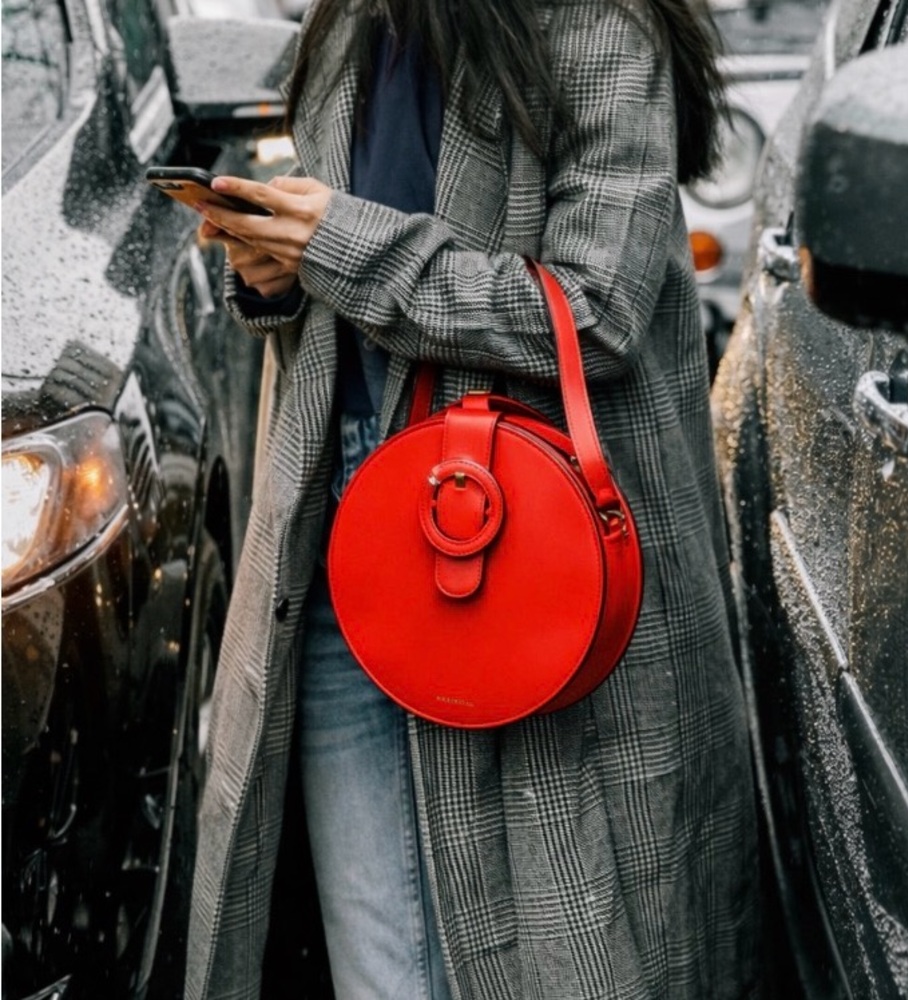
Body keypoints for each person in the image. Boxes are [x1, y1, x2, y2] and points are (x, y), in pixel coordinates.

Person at [186, 0, 760, 997]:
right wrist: (275, 270)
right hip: (343, 534)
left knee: (567, 940)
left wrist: (340, 243)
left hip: (540, 539)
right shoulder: (349, 25)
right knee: (383, 953)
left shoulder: (598, 23)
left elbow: (597, 310)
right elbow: (348, 268)